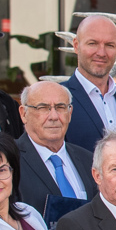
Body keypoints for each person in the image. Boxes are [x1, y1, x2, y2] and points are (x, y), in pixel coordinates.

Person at [63, 16, 116, 152]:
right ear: (76, 45)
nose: (101, 53)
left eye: (109, 45)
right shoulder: (58, 100)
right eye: (93, 43)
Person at [13, 81, 92, 220]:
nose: (54, 116)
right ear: (23, 113)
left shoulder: (88, 160)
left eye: (60, 107)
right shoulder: (9, 160)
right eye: (43, 108)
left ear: (70, 113)